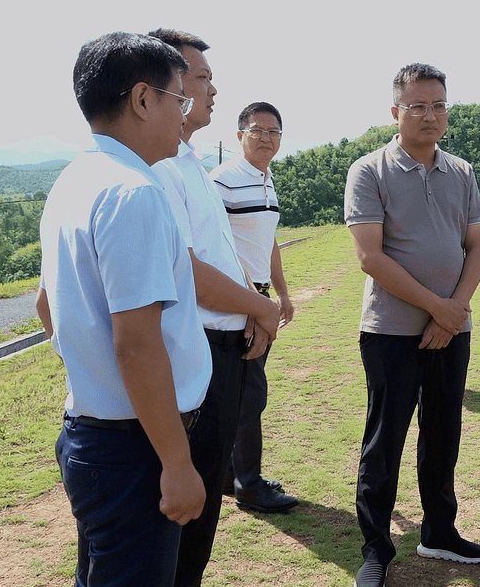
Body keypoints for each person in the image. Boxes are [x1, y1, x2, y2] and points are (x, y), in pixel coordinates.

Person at [35, 31, 210, 587]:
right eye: (178, 99)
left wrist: (90, 371)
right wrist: (177, 464)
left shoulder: (73, 180)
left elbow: (47, 305)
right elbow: (137, 342)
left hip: (94, 435)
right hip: (134, 448)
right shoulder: (134, 191)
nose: (184, 115)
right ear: (142, 100)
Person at [146, 29, 286, 587]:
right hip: (198, 350)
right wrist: (261, 306)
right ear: (163, 86)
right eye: (200, 78)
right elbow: (184, 271)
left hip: (226, 342)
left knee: (200, 518)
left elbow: (221, 255)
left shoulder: (189, 163)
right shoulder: (160, 169)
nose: (211, 89)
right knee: (181, 522)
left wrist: (253, 308)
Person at [343, 63, 480, 587]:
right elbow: (370, 257)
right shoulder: (369, 170)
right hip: (390, 329)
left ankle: (439, 531)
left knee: (443, 432)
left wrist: (454, 312)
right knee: (385, 439)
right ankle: (377, 548)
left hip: (453, 329)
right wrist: (439, 306)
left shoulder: (462, 172)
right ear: (395, 112)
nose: (430, 116)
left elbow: (476, 247)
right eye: (418, 106)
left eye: (439, 105)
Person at [210, 101, 299, 513]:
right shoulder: (222, 181)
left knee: (243, 391)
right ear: (239, 134)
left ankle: (230, 474)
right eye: (257, 130)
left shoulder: (266, 180)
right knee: (248, 395)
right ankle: (249, 484)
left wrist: (281, 292)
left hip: (259, 298)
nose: (266, 138)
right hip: (235, 301)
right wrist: (251, 304)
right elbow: (217, 248)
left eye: (273, 132)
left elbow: (268, 242)